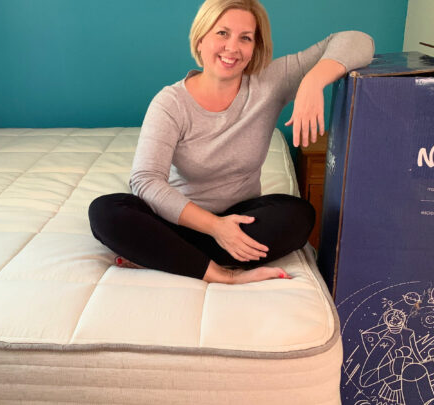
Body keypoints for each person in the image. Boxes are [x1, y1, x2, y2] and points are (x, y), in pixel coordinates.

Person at [89, 0, 374, 284]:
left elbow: (358, 41)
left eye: (245, 38)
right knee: (105, 212)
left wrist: (312, 83)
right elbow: (146, 180)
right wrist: (215, 227)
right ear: (200, 40)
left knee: (300, 215)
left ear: (255, 47)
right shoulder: (170, 103)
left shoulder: (270, 82)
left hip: (240, 221)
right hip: (177, 221)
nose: (232, 48)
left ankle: (166, 255)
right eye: (222, 33)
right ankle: (219, 272)